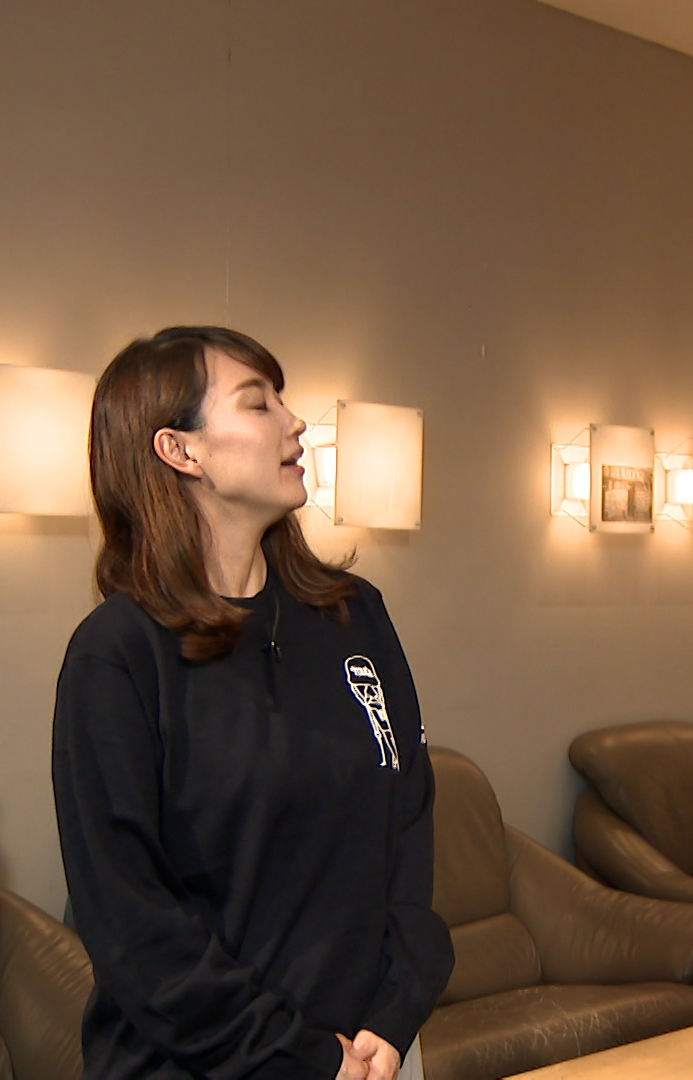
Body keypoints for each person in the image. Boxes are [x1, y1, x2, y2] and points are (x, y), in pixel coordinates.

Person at [53, 326, 452, 1080]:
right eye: (257, 402)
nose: (295, 422)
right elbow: (132, 921)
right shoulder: (118, 654)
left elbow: (408, 821)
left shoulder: (354, 616)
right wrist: (299, 1057)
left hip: (375, 1054)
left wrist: (396, 1011)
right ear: (181, 449)